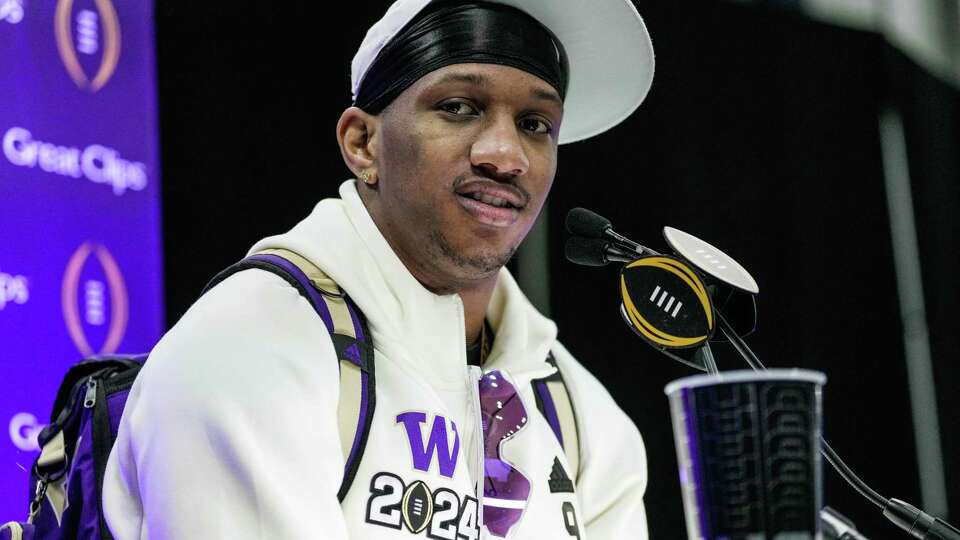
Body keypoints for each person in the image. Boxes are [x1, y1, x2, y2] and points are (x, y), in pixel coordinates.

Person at [102, 0, 656, 538]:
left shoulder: (584, 416)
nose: (505, 156)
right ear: (363, 143)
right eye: (459, 107)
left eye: (535, 123)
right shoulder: (250, 343)